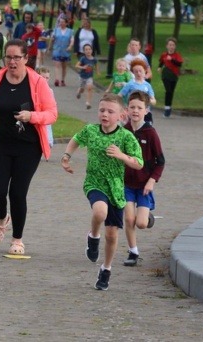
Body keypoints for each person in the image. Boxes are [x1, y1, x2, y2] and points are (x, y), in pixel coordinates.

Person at [0, 39, 57, 256]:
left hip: (28, 147)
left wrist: (32, 116)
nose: (12, 62)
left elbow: (52, 114)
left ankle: (17, 240)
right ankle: (2, 219)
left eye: (16, 58)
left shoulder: (38, 82)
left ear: (26, 59)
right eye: (8, 57)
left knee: (18, 193)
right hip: (0, 143)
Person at [60, 93, 143, 291]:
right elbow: (75, 139)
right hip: (94, 183)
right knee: (99, 212)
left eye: (110, 111)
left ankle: (106, 268)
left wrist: (122, 155)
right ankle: (93, 237)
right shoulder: (91, 130)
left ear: (121, 115)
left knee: (112, 236)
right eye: (102, 110)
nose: (105, 114)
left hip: (115, 189)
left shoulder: (125, 136)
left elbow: (139, 163)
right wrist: (66, 156)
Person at [122, 91, 165, 267]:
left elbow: (160, 162)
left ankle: (147, 218)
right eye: (132, 107)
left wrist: (151, 181)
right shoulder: (123, 131)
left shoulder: (150, 133)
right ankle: (133, 252)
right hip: (126, 185)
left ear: (146, 111)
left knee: (140, 223)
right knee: (129, 219)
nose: (135, 111)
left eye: (139, 108)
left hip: (144, 185)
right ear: (127, 109)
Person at [119, 59, 157, 124]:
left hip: (145, 112)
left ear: (145, 71)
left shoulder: (147, 85)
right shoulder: (130, 84)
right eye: (136, 71)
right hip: (132, 112)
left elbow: (153, 100)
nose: (138, 73)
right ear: (133, 73)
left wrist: (149, 101)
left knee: (146, 130)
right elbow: (120, 95)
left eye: (140, 71)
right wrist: (121, 108)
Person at [157, 37, 184, 118]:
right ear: (167, 46)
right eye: (170, 45)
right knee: (168, 90)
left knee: (171, 91)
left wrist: (172, 59)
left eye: (173, 45)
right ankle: (167, 108)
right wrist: (159, 67)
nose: (171, 46)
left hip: (174, 75)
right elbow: (161, 61)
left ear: (175, 46)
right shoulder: (164, 54)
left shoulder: (177, 55)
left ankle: (168, 107)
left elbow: (179, 64)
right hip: (166, 74)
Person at [50, 17, 74, 87]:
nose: (61, 23)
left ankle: (62, 80)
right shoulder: (56, 30)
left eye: (63, 22)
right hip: (57, 50)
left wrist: (70, 46)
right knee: (57, 65)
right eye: (60, 22)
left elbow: (72, 39)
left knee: (64, 67)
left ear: (66, 23)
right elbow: (52, 39)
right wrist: (50, 46)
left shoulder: (70, 31)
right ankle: (57, 79)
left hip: (66, 51)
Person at [74, 43, 99, 110]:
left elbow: (96, 65)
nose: (88, 51)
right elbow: (76, 66)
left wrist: (97, 71)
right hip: (82, 76)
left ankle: (88, 103)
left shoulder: (94, 59)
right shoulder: (83, 59)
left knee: (89, 88)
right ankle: (79, 92)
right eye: (86, 50)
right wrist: (83, 67)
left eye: (89, 49)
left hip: (89, 77)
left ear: (92, 50)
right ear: (84, 51)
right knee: (82, 89)